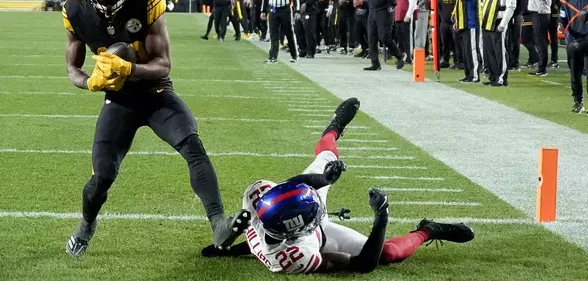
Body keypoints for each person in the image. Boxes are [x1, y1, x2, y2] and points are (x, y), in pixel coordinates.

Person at [62, 0, 249, 257]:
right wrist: (90, 83)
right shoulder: (75, 10)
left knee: (192, 145)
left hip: (155, 92)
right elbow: (72, 68)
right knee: (101, 178)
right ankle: (86, 225)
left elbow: (163, 64)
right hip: (119, 101)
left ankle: (219, 222)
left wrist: (127, 67)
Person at [201, 98, 475, 274]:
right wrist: (381, 218)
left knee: (327, 157)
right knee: (387, 253)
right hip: (317, 236)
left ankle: (335, 126)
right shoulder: (296, 256)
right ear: (297, 233)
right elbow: (362, 265)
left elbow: (294, 185)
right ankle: (428, 230)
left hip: (288, 224)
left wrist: (324, 181)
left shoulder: (259, 197)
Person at [438, 0, 482, 83]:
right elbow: (459, 4)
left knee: (472, 51)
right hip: (464, 23)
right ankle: (468, 74)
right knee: (466, 51)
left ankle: (474, 76)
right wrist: (455, 17)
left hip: (472, 24)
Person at [479, 0, 517, 87]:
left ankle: (501, 78)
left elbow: (511, 7)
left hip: (498, 22)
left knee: (499, 51)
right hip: (487, 22)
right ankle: (492, 76)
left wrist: (503, 24)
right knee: (489, 51)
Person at [560, 0, 588, 113]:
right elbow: (564, 16)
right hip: (574, 38)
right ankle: (578, 102)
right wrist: (560, 23)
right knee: (574, 74)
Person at [261, 0, 300, 64]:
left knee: (289, 33)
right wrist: (263, 11)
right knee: (273, 34)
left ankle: (294, 55)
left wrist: (297, 10)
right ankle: (272, 57)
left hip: (285, 10)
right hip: (273, 10)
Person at [521, 0, 552, 77]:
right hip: (541, 14)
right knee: (540, 41)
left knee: (540, 42)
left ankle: (542, 68)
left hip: (540, 14)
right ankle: (541, 67)